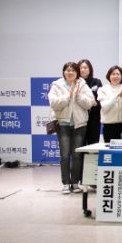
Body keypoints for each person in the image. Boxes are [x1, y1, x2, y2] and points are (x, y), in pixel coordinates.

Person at [48, 62, 96, 194]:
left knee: (77, 155)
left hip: (80, 124)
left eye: (73, 70)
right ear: (63, 72)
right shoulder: (57, 85)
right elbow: (54, 103)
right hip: (63, 124)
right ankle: (65, 183)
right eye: (67, 70)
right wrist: (68, 96)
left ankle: (75, 183)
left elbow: (90, 103)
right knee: (64, 155)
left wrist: (78, 95)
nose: (70, 73)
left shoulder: (82, 84)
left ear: (77, 73)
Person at [98, 65, 122, 142]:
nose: (116, 76)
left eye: (118, 74)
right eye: (113, 74)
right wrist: (118, 95)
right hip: (108, 125)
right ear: (109, 76)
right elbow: (105, 107)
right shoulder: (103, 89)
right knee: (109, 148)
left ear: (121, 76)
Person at [78, 59, 102, 146]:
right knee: (80, 145)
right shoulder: (75, 82)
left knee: (93, 145)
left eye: (85, 68)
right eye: (80, 68)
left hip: (93, 118)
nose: (83, 70)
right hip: (79, 118)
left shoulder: (96, 82)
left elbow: (99, 100)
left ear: (90, 69)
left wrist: (93, 103)